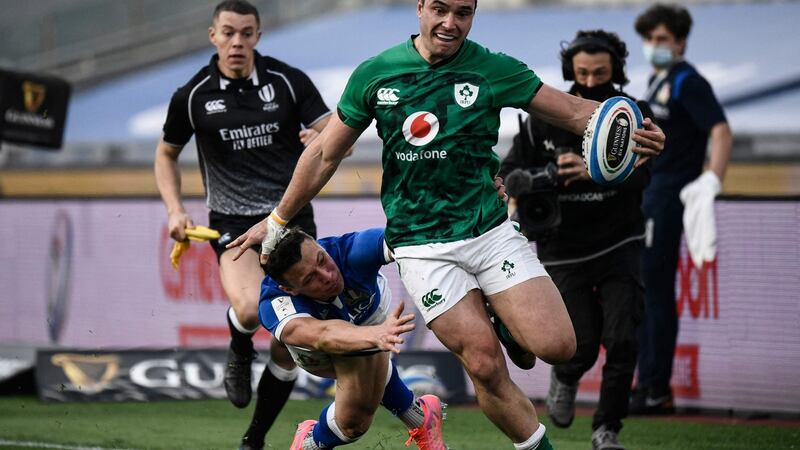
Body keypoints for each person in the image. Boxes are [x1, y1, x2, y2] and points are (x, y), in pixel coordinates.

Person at [230, 1, 665, 448]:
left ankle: (498, 314)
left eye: (463, 12)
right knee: (483, 365)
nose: (450, 23)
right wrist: (279, 220)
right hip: (420, 245)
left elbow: (576, 111)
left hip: (489, 232)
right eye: (439, 9)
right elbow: (325, 153)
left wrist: (635, 130)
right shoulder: (375, 73)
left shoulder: (493, 68)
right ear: (419, 7)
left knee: (558, 348)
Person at [153, 1, 334, 448]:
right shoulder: (193, 96)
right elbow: (166, 154)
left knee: (292, 341)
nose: (238, 42)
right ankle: (239, 345)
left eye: (247, 33)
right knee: (253, 311)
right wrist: (175, 209)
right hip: (232, 221)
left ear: (258, 35)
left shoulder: (288, 82)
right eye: (229, 33)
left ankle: (254, 438)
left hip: (291, 220)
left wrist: (324, 138)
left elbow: (336, 130)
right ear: (212, 35)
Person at [499, 30, 652, 450]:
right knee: (579, 347)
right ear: (570, 71)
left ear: (615, 71)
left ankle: (607, 430)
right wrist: (547, 175)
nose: (589, 81)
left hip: (621, 240)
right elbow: (510, 176)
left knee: (623, 338)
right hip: (562, 247)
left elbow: (645, 174)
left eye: (600, 73)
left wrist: (596, 170)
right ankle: (566, 377)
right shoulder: (545, 115)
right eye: (582, 73)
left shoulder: (634, 113)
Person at [630, 3, 732, 415]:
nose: (654, 46)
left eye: (662, 40)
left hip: (671, 197)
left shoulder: (689, 82)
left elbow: (721, 131)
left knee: (655, 293)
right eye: (650, 40)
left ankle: (655, 389)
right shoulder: (658, 80)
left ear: (680, 42)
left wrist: (712, 179)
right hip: (650, 195)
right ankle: (648, 384)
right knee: (644, 292)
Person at [259, 227, 445, 450]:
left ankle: (418, 417)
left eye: (322, 259)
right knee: (353, 419)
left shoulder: (350, 251)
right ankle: (419, 415)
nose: (327, 275)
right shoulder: (275, 303)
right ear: (289, 288)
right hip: (319, 352)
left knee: (354, 425)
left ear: (319, 246)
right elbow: (322, 336)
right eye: (311, 279)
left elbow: (410, 237)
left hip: (371, 315)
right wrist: (373, 335)